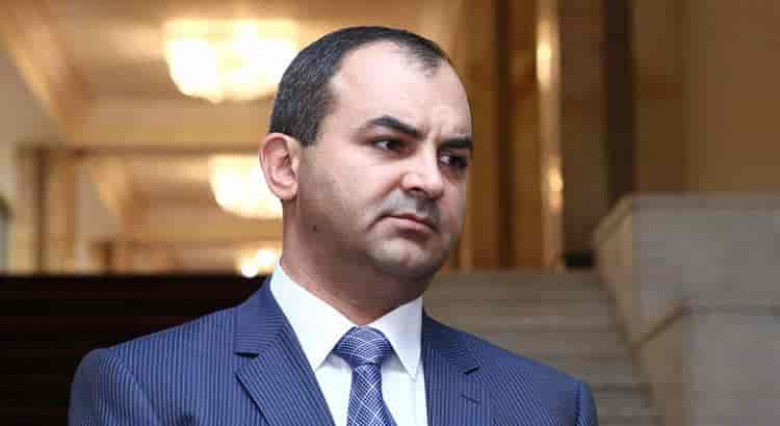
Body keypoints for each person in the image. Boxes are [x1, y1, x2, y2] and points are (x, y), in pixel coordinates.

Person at [69, 26, 598, 426]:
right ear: (285, 167)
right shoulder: (147, 388)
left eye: (453, 159)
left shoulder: (549, 407)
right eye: (390, 144)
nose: (430, 180)